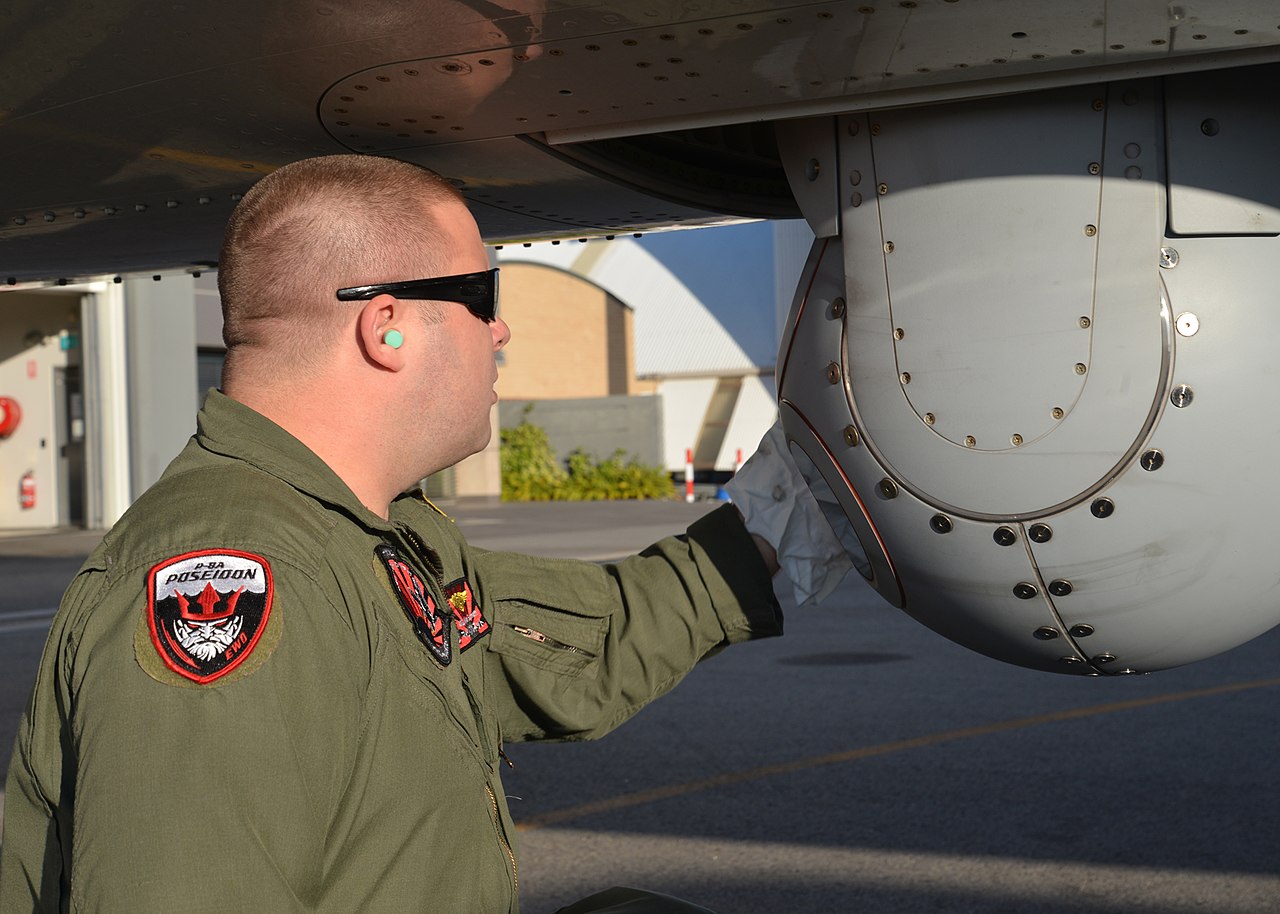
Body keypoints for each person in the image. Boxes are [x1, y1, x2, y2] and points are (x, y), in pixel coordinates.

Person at [0, 155, 842, 913]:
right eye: (484, 298)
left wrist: (795, 500)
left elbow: (585, 642)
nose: (501, 330)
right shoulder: (237, 577)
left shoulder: (378, 535)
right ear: (386, 328)